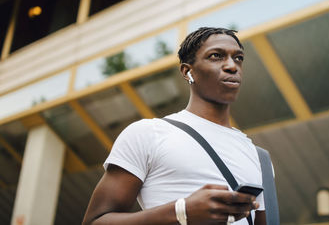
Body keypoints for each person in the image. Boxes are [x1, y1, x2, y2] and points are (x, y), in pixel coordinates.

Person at [82, 27, 266, 225]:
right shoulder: (148, 133)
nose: (232, 66)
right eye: (216, 56)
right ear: (188, 72)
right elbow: (94, 222)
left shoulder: (258, 156)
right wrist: (181, 212)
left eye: (238, 58)